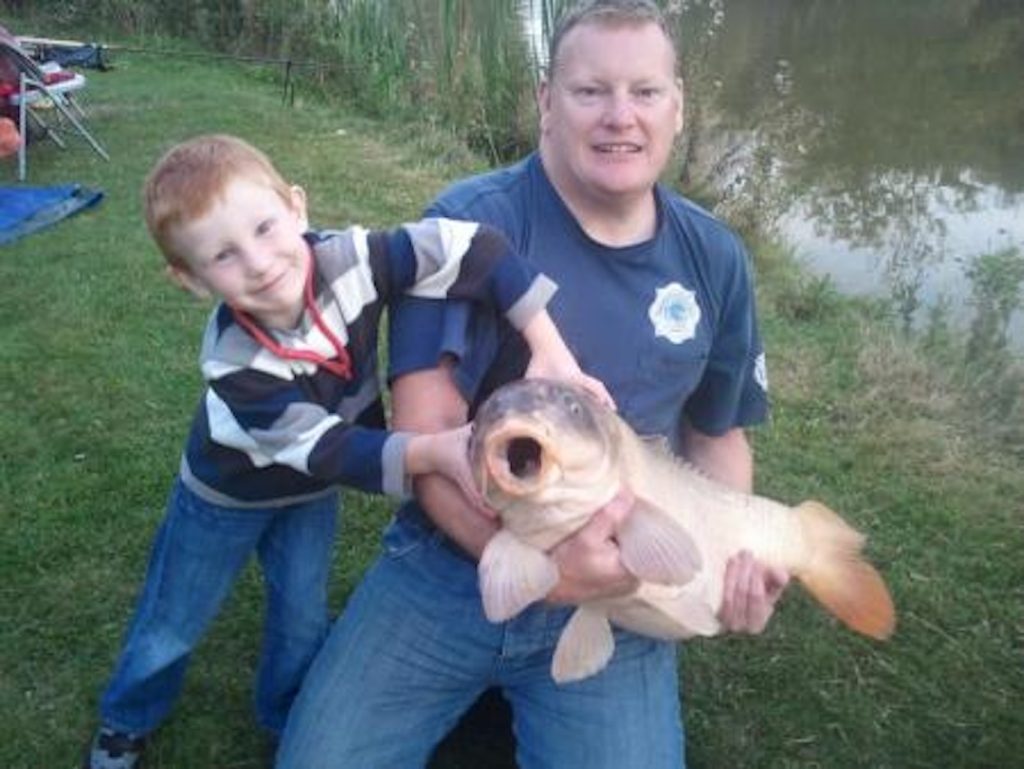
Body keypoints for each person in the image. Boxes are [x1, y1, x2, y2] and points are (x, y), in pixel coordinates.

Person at [276, 2, 790, 767]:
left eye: (645, 92)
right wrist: (544, 574)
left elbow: (718, 433)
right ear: (547, 101)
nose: (621, 117)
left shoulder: (715, 258)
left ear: (678, 107)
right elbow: (427, 425)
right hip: (450, 562)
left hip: (622, 593)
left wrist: (737, 556)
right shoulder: (464, 228)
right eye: (591, 92)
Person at [83, 134, 607, 769]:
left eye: (265, 227)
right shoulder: (232, 363)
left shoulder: (355, 258)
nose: (259, 261)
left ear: (297, 208)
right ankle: (127, 717)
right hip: (226, 496)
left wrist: (544, 342)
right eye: (223, 255)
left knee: (302, 612)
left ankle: (285, 712)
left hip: (307, 495)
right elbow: (333, 451)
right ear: (190, 280)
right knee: (173, 617)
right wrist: (434, 450)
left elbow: (474, 247)